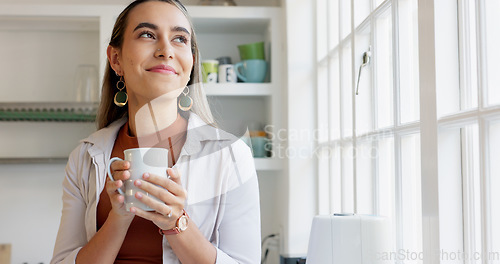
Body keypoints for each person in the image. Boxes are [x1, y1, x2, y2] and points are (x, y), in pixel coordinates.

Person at [50, 0, 261, 263]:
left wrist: (176, 222)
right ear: (116, 59)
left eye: (180, 39)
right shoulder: (84, 158)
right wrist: (118, 217)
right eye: (147, 35)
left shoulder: (231, 156)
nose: (166, 50)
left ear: (191, 62)